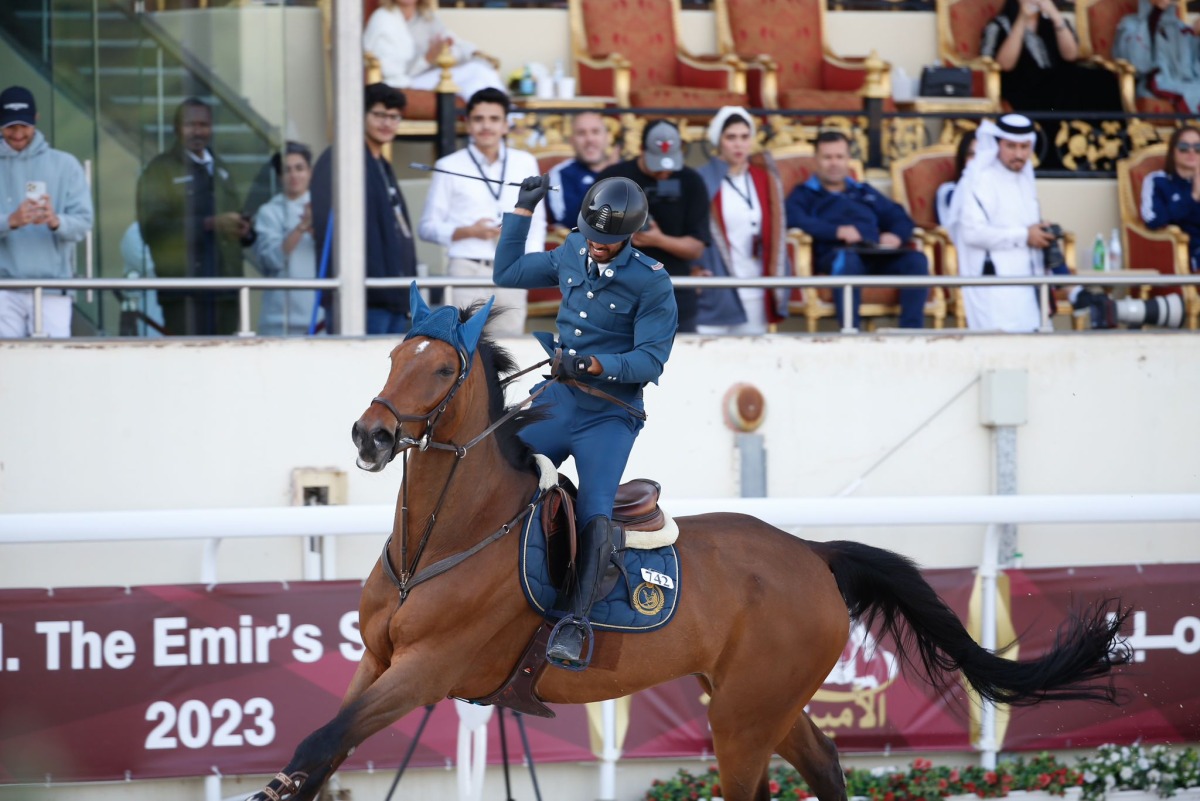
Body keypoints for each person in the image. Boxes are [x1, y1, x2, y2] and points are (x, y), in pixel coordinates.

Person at [493, 174, 677, 669]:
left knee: (596, 507)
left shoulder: (652, 281)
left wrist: (596, 365)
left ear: (630, 236)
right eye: (592, 235)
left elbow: (651, 360)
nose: (596, 245)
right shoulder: (574, 249)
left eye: (607, 240)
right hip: (559, 398)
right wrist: (522, 211)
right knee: (499, 461)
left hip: (609, 414)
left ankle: (575, 621)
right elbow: (508, 272)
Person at [418, 87, 543, 337]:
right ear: (468, 123)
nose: (486, 126)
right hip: (467, 270)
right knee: (463, 347)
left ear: (506, 125)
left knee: (510, 349)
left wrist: (527, 264)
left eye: (494, 119)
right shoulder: (449, 165)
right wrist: (468, 232)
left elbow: (538, 221)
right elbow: (427, 227)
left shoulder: (525, 162)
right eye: (478, 119)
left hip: (512, 270)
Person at [785, 130, 929, 329]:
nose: (834, 163)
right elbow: (794, 218)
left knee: (916, 260)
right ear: (816, 160)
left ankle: (911, 334)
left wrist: (895, 235)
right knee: (848, 261)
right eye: (827, 157)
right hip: (836, 254)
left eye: (839, 157)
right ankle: (851, 334)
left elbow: (899, 216)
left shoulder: (863, 190)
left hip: (875, 253)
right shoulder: (804, 193)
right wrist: (837, 231)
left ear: (848, 160)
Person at [945, 114, 1078, 331]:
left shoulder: (1025, 177)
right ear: (997, 144)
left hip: (1028, 282)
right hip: (994, 285)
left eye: (1024, 147)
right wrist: (1025, 235)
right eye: (1011, 146)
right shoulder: (977, 181)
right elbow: (971, 233)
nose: (1018, 154)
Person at [137, 97, 254, 336]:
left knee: (224, 357)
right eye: (190, 125)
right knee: (188, 357)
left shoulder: (221, 168)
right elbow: (153, 229)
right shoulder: (160, 169)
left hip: (226, 292)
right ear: (177, 128)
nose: (198, 131)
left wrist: (245, 231)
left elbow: (235, 221)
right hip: (185, 295)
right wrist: (209, 224)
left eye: (204, 125)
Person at [311, 83, 418, 335]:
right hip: (360, 298)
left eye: (394, 117)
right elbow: (330, 231)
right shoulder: (340, 159)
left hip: (394, 296)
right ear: (360, 115)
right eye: (379, 115)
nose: (387, 123)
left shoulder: (382, 164)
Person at [597, 120, 710, 332]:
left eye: (669, 165)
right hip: (618, 298)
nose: (664, 173)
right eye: (657, 165)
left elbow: (696, 248)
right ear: (641, 149)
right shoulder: (613, 179)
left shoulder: (690, 181)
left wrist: (658, 240)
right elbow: (589, 238)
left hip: (675, 297)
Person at [0, 85, 93, 338]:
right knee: (6, 360)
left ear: (36, 120)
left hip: (53, 287)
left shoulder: (65, 164)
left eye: (24, 126)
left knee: (53, 359)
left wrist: (56, 221)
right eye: (10, 126)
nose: (18, 134)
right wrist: (10, 221)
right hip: (3, 288)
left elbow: (84, 222)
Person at [693, 107, 790, 335]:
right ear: (719, 141)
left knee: (752, 355)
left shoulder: (764, 179)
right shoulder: (702, 179)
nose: (738, 144)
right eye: (731, 137)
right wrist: (694, 269)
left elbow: (776, 231)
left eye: (745, 137)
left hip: (755, 288)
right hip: (715, 290)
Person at [980, 0, 1123, 118]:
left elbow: (1071, 55)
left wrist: (1055, 15)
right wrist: (1022, 19)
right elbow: (1004, 65)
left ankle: (1110, 137)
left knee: (1102, 78)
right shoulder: (999, 25)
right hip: (1023, 88)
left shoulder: (1050, 22)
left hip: (1056, 83)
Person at [363, 0, 504, 102]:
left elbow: (453, 41)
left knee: (475, 84)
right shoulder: (383, 19)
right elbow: (392, 73)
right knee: (477, 70)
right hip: (402, 83)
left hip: (431, 77)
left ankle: (492, 128)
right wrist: (427, 59)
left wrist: (472, 52)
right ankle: (510, 120)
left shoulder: (427, 17)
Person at [254, 141, 324, 336]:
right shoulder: (268, 211)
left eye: (299, 168)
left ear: (310, 172)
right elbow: (272, 261)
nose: (294, 175)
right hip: (278, 320)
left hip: (319, 317)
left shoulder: (326, 207)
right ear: (279, 176)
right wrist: (301, 227)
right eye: (287, 170)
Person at [1113, 0, 1200, 115]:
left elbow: (1194, 63)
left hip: (1188, 82)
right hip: (1155, 85)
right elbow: (1138, 63)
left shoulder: (1181, 29)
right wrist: (1156, 13)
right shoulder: (1130, 24)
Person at [1140, 125, 1200, 273]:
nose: (1191, 152)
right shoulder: (1158, 181)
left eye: (1198, 147)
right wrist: (1193, 197)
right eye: (1184, 147)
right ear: (1173, 151)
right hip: (1184, 251)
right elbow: (1153, 220)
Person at [546, 111, 619, 232]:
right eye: (581, 133)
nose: (589, 139)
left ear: (607, 137)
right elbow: (567, 222)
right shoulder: (560, 174)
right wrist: (607, 176)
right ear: (572, 140)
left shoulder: (625, 169)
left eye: (595, 132)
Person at [936, 131, 976, 227]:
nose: (978, 160)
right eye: (971, 155)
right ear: (963, 159)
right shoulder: (949, 191)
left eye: (982, 155)